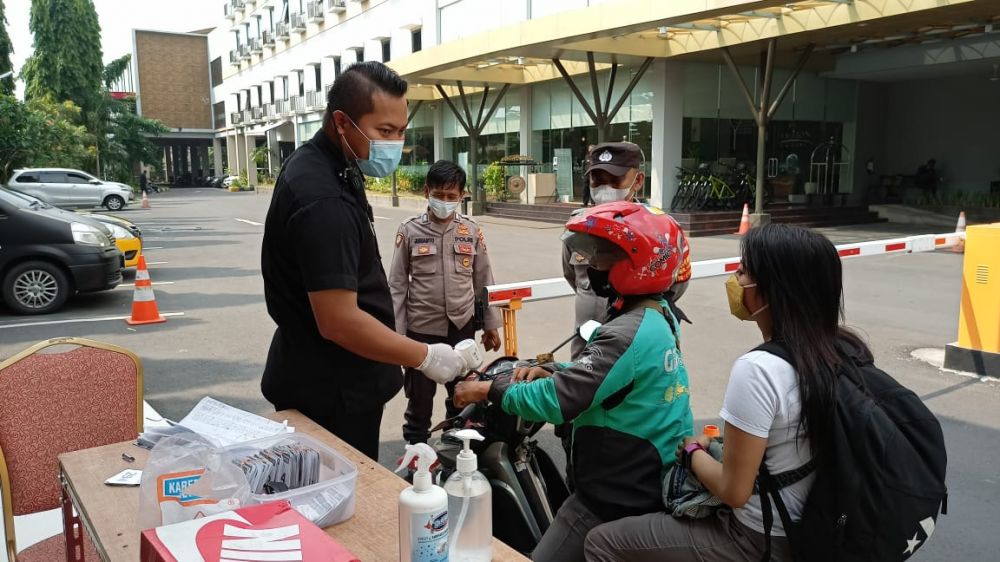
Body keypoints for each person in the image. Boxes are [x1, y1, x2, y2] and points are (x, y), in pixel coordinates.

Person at [584, 224, 873, 562]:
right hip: (817, 522)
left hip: (757, 536)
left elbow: (733, 491)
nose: (736, 278)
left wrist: (692, 451)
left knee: (602, 543)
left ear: (774, 289)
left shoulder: (759, 369)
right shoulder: (842, 348)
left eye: (745, 270)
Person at [455, 202, 694, 562]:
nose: (593, 266)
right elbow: (616, 376)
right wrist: (555, 368)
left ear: (638, 265)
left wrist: (487, 388)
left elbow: (558, 401)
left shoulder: (625, 332)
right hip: (649, 475)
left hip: (613, 494)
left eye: (603, 258)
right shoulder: (659, 316)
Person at [260, 61, 467, 461]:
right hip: (332, 393)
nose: (396, 143)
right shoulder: (324, 199)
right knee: (340, 506)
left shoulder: (328, 165)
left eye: (402, 130)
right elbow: (339, 321)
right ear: (342, 121)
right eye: (384, 131)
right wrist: (424, 356)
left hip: (333, 378)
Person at [388, 160, 503, 445]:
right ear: (427, 191)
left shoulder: (471, 230)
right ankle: (416, 458)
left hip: (461, 329)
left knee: (462, 398)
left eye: (451, 196)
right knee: (419, 402)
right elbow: (398, 283)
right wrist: (395, 334)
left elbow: (483, 279)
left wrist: (491, 325)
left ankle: (455, 452)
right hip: (421, 332)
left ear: (462, 196)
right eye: (439, 194)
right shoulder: (410, 230)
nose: (445, 201)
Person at [562, 142, 646, 360]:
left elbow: (674, 285)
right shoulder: (577, 226)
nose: (605, 188)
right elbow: (573, 276)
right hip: (585, 351)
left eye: (615, 180)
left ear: (638, 180)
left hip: (633, 352)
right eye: (597, 180)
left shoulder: (655, 228)